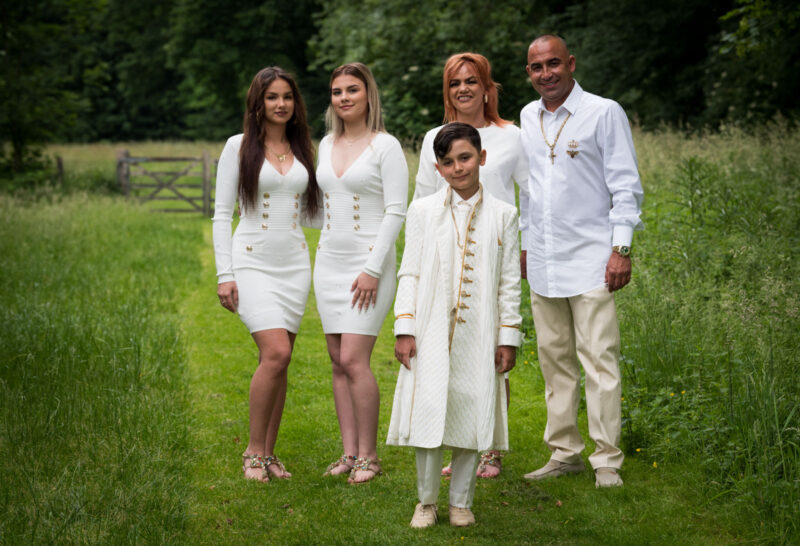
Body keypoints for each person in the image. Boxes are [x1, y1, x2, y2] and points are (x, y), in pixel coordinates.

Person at [519, 35, 644, 488]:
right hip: (544, 259)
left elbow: (625, 186)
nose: (546, 73)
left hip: (593, 258)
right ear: (529, 73)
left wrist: (621, 249)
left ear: (571, 63)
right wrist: (526, 246)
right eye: (537, 67)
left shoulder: (603, 112)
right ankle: (565, 452)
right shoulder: (527, 117)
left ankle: (607, 459)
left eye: (554, 63)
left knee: (599, 360)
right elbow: (529, 191)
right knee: (554, 361)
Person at [387, 122, 522, 527]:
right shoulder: (422, 211)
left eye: (465, 158)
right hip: (430, 327)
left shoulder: (505, 215)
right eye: (448, 162)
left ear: (482, 157)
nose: (458, 168)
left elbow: (509, 282)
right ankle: (426, 501)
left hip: (479, 332)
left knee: (470, 408)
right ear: (438, 168)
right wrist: (405, 327)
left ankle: (461, 501)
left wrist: (508, 337)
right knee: (429, 410)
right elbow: (409, 271)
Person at [414, 52, 529, 479]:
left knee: (492, 350)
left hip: (494, 254)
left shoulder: (511, 136)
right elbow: (423, 200)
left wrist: (524, 249)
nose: (463, 89)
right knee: (449, 354)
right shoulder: (434, 137)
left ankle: (490, 447)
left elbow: (530, 195)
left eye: (471, 81)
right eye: (454, 83)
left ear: (486, 87)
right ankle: (458, 438)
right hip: (447, 258)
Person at [213, 67, 320, 482]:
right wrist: (225, 273)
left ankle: (271, 453)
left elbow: (313, 212)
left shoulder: (303, 148)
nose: (281, 104)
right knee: (276, 352)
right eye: (272, 97)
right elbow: (222, 215)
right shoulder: (238, 147)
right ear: (257, 103)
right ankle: (253, 453)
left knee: (280, 361)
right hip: (251, 261)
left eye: (287, 97)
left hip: (294, 264)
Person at [314, 62, 408, 483]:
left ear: (368, 95)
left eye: (352, 89)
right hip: (328, 262)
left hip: (368, 264)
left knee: (354, 359)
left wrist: (372, 268)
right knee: (337, 361)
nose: (344, 97)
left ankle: (369, 456)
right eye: (337, 91)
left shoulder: (385, 146)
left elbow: (396, 211)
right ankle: (349, 453)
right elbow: (322, 204)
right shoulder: (325, 143)